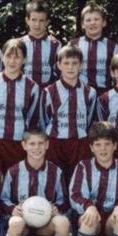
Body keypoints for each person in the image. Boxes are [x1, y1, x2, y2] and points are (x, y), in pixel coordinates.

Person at [0, 128, 70, 236]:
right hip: (23, 223)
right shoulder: (14, 171)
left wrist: (57, 208)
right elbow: (3, 199)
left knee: (63, 222)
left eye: (40, 143)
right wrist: (12, 209)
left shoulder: (55, 171)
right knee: (15, 223)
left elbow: (65, 200)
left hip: (46, 223)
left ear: (47, 145)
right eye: (32, 144)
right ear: (24, 145)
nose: (36, 148)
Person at [0, 38, 41, 187]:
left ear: (24, 60)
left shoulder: (32, 87)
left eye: (17, 57)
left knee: (13, 184)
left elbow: (33, 117)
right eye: (8, 56)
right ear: (2, 57)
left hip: (17, 141)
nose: (12, 61)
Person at [41, 45, 97, 184]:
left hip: (80, 143)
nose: (70, 67)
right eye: (66, 63)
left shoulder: (90, 92)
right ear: (59, 65)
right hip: (55, 142)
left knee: (78, 180)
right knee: (55, 180)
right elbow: (43, 119)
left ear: (81, 65)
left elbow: (90, 119)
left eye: (74, 63)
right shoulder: (49, 91)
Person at [70, 3, 118, 95]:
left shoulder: (113, 46)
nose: (92, 23)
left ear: (104, 22)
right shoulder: (74, 45)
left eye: (96, 19)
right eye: (88, 20)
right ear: (82, 24)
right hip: (79, 93)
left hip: (105, 93)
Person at [20, 0, 61, 88]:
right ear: (27, 20)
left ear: (47, 22)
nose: (37, 24)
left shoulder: (55, 45)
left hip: (48, 91)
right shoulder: (20, 43)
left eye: (41, 21)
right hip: (24, 91)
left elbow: (59, 71)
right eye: (33, 20)